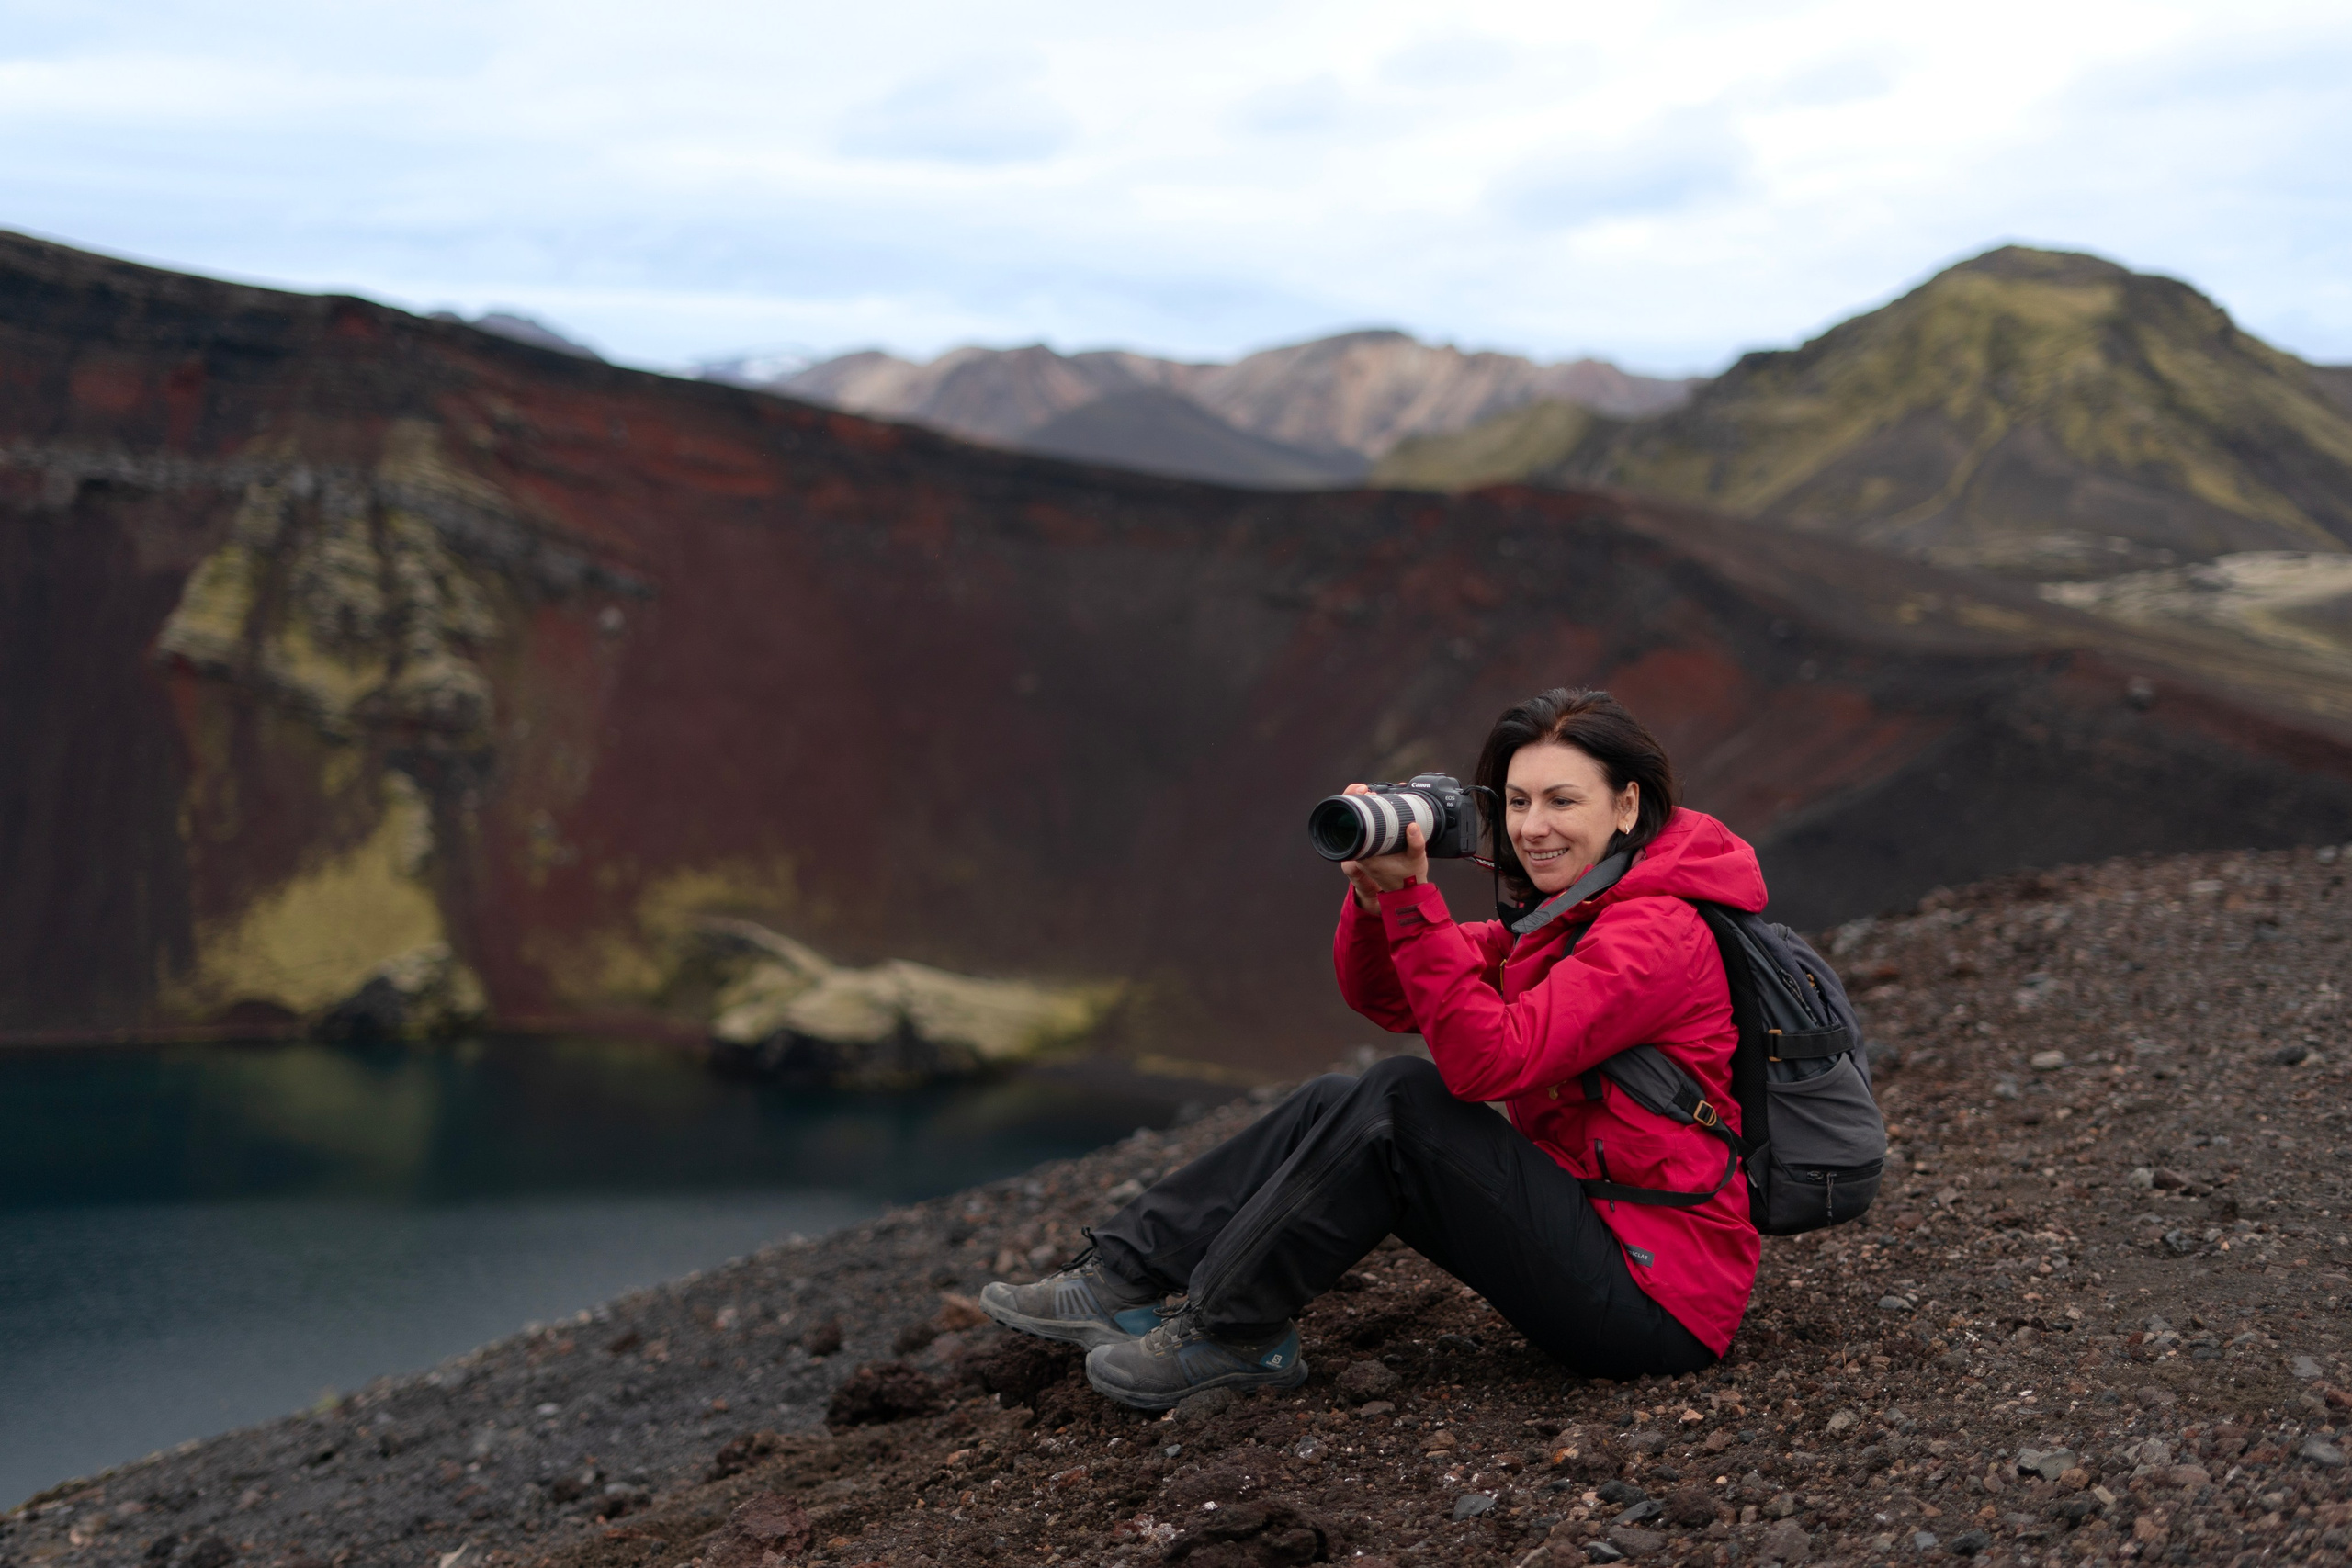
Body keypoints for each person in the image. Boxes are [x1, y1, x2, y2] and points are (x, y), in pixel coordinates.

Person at [979, 687, 1764, 1409]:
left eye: (1563, 800)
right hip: (1597, 1235)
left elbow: (1490, 1062)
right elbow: (1390, 996)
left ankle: (1234, 1333)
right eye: (1519, 801)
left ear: (1627, 804)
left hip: (1657, 1308)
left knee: (1399, 1102)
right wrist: (1371, 900)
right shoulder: (1573, 917)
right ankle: (1123, 1276)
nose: (1532, 827)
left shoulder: (1654, 933)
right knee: (1337, 1099)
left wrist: (1411, 896)